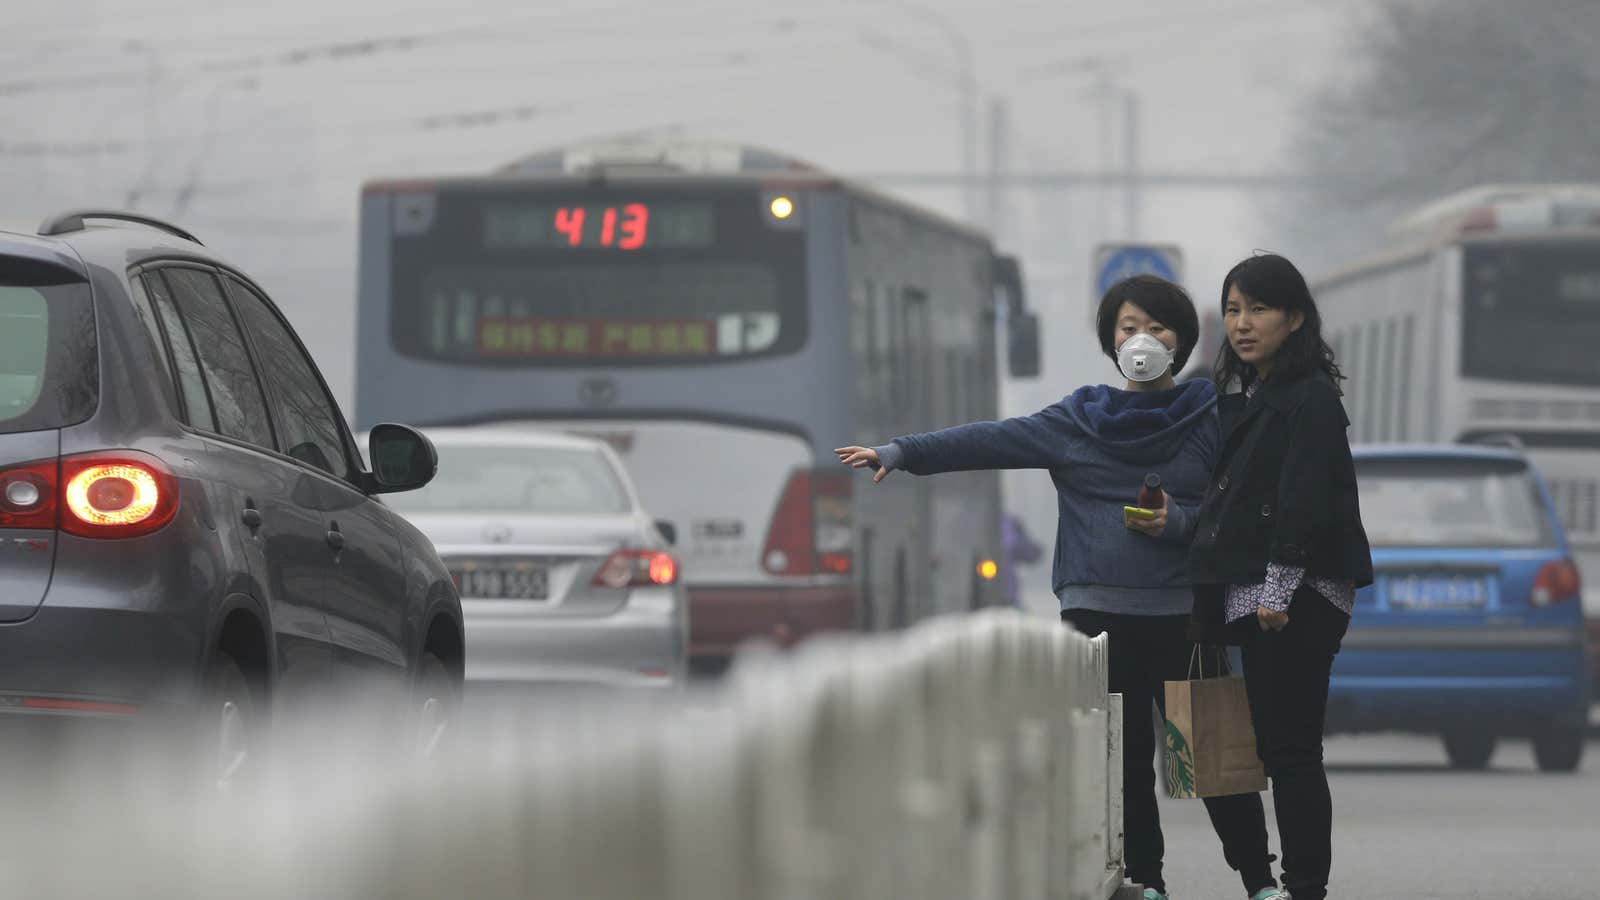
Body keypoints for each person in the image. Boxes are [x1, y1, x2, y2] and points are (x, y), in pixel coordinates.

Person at [837, 275, 1279, 900]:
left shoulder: (1211, 417)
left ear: (1181, 343)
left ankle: (1261, 881)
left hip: (1185, 614)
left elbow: (1239, 511)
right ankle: (1145, 881)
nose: (1142, 340)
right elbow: (987, 440)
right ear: (1110, 340)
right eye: (1129, 328)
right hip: (1098, 617)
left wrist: (1177, 521)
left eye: (1157, 328)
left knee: (1207, 750)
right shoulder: (1077, 420)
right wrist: (900, 452)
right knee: (1122, 762)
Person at [1187, 254, 1373, 900]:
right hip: (1261, 595)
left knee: (1292, 751)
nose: (1243, 324)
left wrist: (1278, 587)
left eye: (1259, 309)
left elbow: (1305, 497)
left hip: (1296, 598)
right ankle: (1291, 883)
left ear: (1294, 318)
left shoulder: (1311, 398)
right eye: (1234, 310)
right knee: (1277, 747)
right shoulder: (1255, 395)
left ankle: (1305, 887)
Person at [999, 513, 1043, 607]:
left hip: (1004, 598)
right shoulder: (1008, 523)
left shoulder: (1008, 523)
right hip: (1007, 598)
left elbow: (1031, 554)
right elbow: (1032, 554)